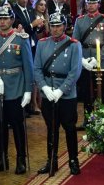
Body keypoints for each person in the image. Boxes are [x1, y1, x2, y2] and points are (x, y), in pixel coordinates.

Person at [0, 6, 33, 174]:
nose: (2, 21)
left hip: (16, 88)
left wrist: (28, 91)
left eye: (5, 18)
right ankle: (2, 160)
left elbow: (28, 67)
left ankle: (20, 160)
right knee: (0, 125)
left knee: (17, 125)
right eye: (0, 19)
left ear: (11, 20)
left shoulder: (21, 39)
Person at [34, 12, 82, 175]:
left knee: (69, 128)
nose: (55, 29)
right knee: (51, 128)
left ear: (64, 26)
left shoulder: (74, 45)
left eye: (58, 26)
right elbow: (37, 69)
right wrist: (44, 88)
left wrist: (61, 90)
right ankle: (51, 161)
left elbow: (75, 72)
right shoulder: (42, 44)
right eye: (53, 26)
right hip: (48, 92)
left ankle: (73, 160)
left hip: (67, 94)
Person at [72, 0, 104, 127]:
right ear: (85, 5)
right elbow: (75, 42)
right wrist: (82, 60)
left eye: (93, 3)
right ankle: (88, 119)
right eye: (88, 3)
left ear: (98, 4)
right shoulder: (79, 20)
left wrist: (97, 59)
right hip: (84, 60)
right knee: (86, 92)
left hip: (102, 61)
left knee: (103, 92)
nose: (90, 5)